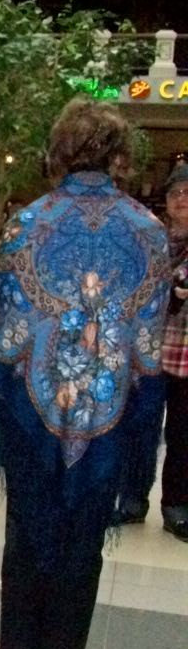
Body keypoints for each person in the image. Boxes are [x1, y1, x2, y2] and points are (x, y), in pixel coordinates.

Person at [0, 99, 170, 649]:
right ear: (117, 155)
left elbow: (7, 342)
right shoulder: (149, 232)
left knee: (25, 541)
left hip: (33, 415)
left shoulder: (25, 225)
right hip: (109, 417)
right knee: (82, 549)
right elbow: (148, 352)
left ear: (60, 151)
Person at [114, 161, 188, 541]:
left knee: (183, 434)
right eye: (175, 193)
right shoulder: (152, 237)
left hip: (184, 355)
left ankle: (177, 505)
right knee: (140, 428)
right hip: (147, 350)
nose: (181, 199)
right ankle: (132, 500)